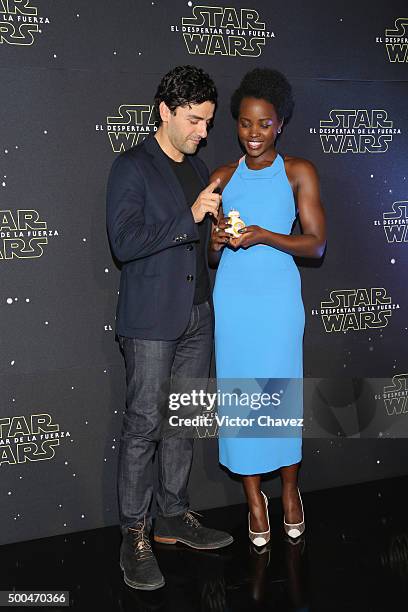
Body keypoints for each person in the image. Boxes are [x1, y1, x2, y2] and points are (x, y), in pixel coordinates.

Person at [106, 65, 233, 592]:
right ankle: (134, 535)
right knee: (144, 428)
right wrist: (190, 216)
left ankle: (173, 516)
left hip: (198, 315)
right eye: (195, 120)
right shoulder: (132, 166)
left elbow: (193, 249)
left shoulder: (197, 165)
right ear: (165, 110)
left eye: (207, 121)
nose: (204, 132)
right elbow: (125, 242)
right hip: (152, 322)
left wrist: (218, 238)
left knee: (184, 422)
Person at [209, 68, 326, 546]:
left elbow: (316, 245)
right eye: (244, 123)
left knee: (280, 397)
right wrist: (216, 241)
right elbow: (213, 254)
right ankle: (255, 499)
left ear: (280, 123)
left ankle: (291, 492)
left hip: (278, 305)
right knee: (241, 401)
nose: (253, 134)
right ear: (235, 124)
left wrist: (263, 235)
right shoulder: (222, 176)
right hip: (234, 305)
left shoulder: (298, 172)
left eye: (263, 124)